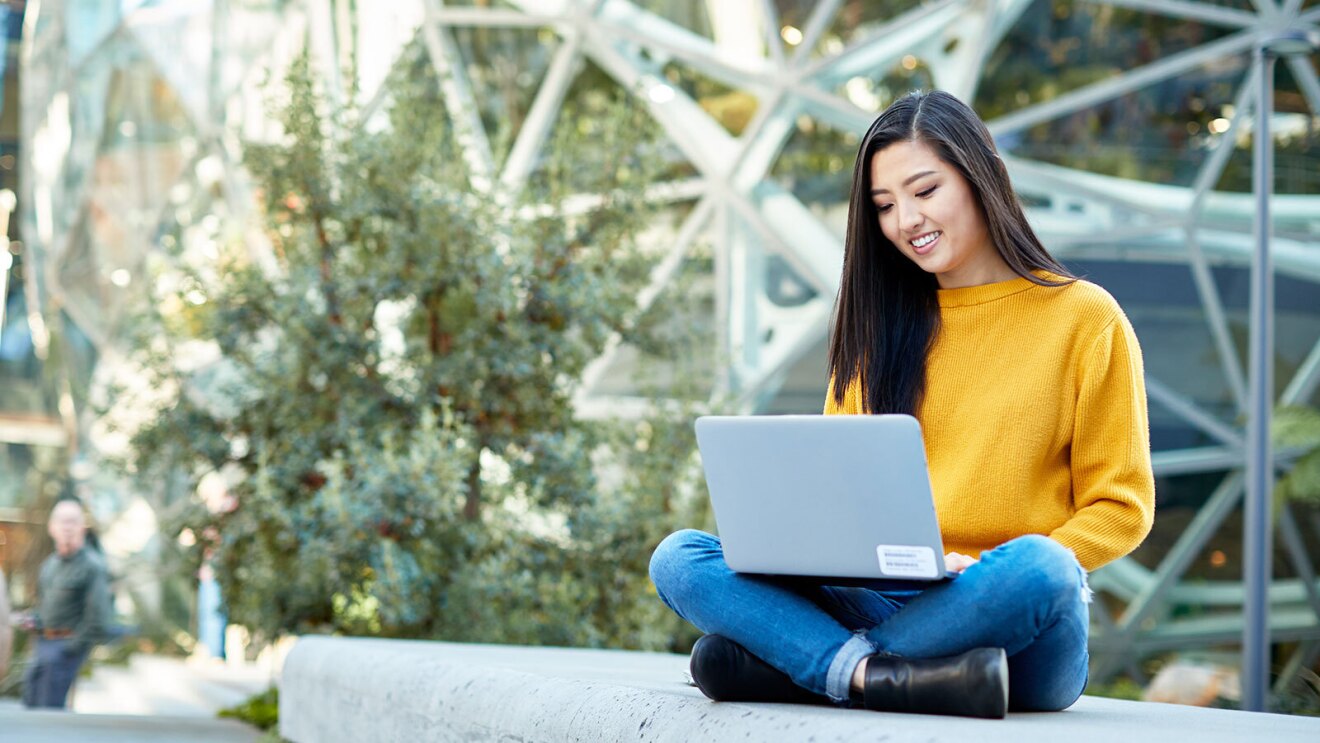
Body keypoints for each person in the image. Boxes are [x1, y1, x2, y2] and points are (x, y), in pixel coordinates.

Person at [649, 90, 1155, 718]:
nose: (906, 220)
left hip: (1005, 610)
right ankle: (885, 676)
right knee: (680, 557)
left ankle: (815, 667)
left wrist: (981, 571)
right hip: (881, 596)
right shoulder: (877, 329)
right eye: (885, 206)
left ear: (980, 176)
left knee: (1045, 567)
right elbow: (836, 502)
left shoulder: (1085, 318)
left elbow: (1122, 506)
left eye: (925, 191)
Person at [20, 498, 111, 709]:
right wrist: (33, 620)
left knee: (49, 712)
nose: (67, 527)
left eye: (72, 521)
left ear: (82, 527)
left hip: (65, 648)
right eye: (62, 521)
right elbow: (43, 607)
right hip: (43, 645)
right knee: (30, 704)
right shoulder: (49, 565)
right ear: (52, 527)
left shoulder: (92, 566)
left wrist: (70, 648)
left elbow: (99, 619)